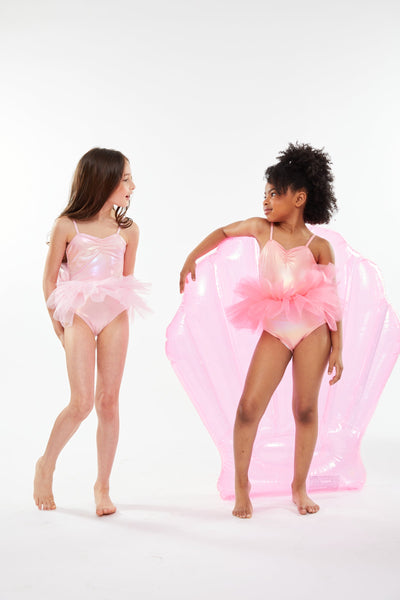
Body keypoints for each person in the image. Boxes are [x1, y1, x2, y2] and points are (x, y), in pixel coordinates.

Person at [179, 143, 343, 518]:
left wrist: (338, 346)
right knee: (249, 407)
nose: (266, 201)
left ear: (299, 198)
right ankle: (243, 486)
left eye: (274, 193)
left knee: (305, 409)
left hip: (313, 329)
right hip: (276, 327)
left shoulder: (320, 246)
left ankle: (299, 487)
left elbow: (334, 299)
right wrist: (191, 257)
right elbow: (222, 232)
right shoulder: (260, 229)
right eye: (264, 194)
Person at [34, 147, 149, 516]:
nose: (132, 186)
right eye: (126, 179)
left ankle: (103, 486)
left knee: (108, 401)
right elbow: (49, 280)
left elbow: (127, 280)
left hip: (114, 312)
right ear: (104, 181)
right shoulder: (67, 226)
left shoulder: (129, 230)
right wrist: (58, 322)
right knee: (81, 402)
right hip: (79, 313)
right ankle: (46, 465)